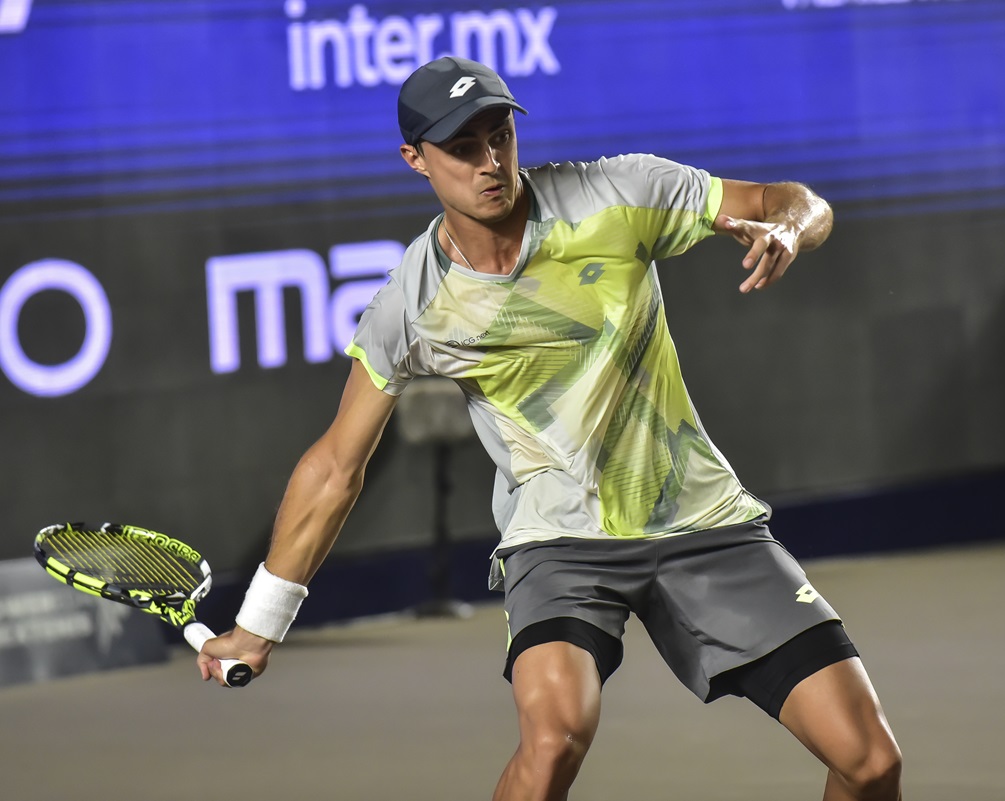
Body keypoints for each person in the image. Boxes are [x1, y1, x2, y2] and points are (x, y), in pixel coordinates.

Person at [197, 56, 903, 801]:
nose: (490, 163)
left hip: (702, 519)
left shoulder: (619, 193)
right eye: (462, 149)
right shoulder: (414, 304)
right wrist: (259, 623)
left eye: (499, 136)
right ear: (416, 159)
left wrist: (789, 227)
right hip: (560, 543)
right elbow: (336, 467)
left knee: (871, 760)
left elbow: (792, 200)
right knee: (555, 736)